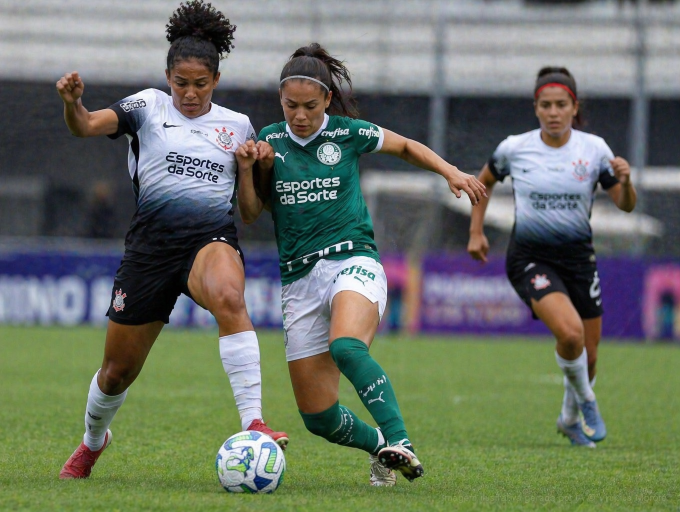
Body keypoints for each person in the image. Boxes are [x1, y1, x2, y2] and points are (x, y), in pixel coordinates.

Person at [54, 0, 287, 479]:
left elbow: (250, 213)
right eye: (181, 83)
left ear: (216, 80)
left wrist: (251, 168)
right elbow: (85, 126)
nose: (190, 93)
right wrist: (72, 103)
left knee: (229, 296)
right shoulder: (147, 107)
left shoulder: (238, 126)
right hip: (149, 251)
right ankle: (93, 442)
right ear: (167, 77)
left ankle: (254, 422)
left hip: (209, 241)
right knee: (116, 373)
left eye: (201, 84)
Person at [235, 43, 486, 486]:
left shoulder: (347, 132)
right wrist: (249, 170)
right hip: (298, 278)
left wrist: (449, 171)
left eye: (310, 106)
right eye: (291, 105)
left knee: (347, 347)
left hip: (352, 260)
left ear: (327, 99)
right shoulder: (268, 142)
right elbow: (252, 212)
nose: (300, 115)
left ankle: (401, 440)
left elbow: (404, 146)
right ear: (280, 100)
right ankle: (381, 449)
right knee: (318, 416)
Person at [467, 67, 637, 448]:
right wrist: (476, 232)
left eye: (561, 105)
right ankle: (588, 402)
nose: (554, 112)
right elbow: (483, 182)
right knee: (570, 333)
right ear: (536, 108)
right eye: (546, 105)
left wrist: (626, 182)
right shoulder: (515, 148)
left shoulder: (594, 150)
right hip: (530, 259)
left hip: (579, 260)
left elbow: (625, 205)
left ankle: (569, 419)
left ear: (575, 107)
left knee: (589, 356)